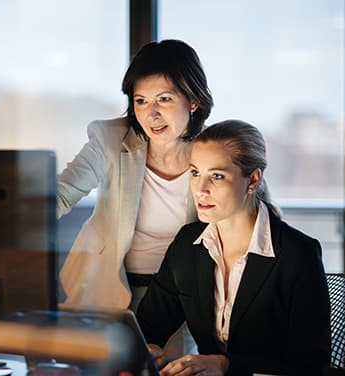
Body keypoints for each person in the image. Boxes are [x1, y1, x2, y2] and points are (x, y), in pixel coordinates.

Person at [136, 120, 331, 375]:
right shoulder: (188, 245)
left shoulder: (297, 254)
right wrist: (147, 347)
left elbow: (311, 366)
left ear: (252, 180)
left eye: (217, 176)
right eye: (195, 173)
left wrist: (227, 366)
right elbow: (149, 326)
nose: (201, 189)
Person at [56, 39, 213, 355]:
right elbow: (61, 195)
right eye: (141, 101)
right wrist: (11, 221)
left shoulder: (216, 151)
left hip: (183, 298)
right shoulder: (111, 139)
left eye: (164, 99)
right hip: (107, 287)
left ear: (193, 101)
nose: (151, 114)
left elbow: (259, 217)